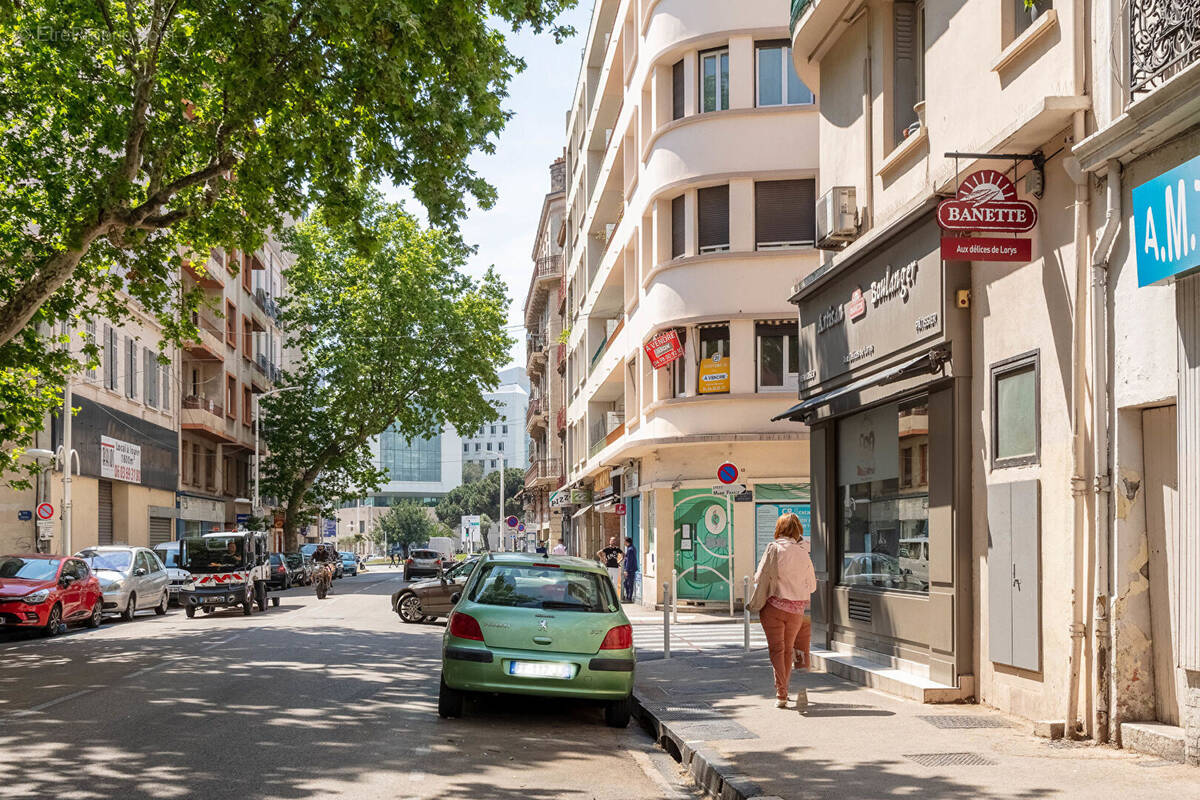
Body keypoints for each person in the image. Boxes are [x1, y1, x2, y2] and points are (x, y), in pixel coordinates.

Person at [748, 513, 816, 709]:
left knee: (777, 651)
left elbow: (758, 577)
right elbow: (811, 586)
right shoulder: (804, 553)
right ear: (797, 530)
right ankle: (785, 690)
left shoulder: (773, 548)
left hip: (773, 608)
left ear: (779, 528)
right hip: (796, 611)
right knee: (788, 651)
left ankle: (782, 693)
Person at [621, 536, 638, 603]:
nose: (624, 543)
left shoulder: (630, 549)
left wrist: (626, 570)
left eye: (624, 541)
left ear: (627, 542)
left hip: (630, 570)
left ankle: (629, 598)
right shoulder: (631, 548)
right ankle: (628, 596)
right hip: (631, 569)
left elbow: (629, 561)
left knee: (628, 584)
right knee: (627, 583)